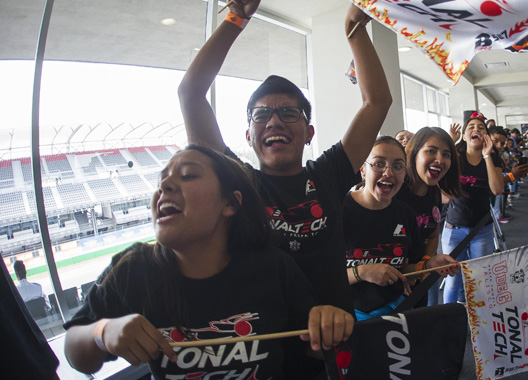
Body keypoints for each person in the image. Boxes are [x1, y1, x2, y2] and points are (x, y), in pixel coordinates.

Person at [63, 146, 353, 379]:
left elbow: (312, 349)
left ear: (230, 203)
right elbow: (76, 355)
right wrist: (102, 332)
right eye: (161, 179)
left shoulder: (273, 268)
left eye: (187, 175)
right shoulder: (133, 269)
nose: (164, 185)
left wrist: (331, 324)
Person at [177, 0, 391, 314]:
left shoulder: (329, 174)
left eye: (289, 113)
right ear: (249, 136)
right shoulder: (240, 183)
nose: (274, 121)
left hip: (334, 344)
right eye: (261, 115)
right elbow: (191, 94)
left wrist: (354, 29)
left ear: (309, 133)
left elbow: (377, 102)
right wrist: (235, 18)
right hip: (266, 350)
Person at [344, 137, 458, 319]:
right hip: (348, 316)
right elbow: (319, 277)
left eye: (397, 166)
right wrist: (361, 272)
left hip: (395, 312)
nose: (388, 173)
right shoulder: (339, 211)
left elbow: (403, 270)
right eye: (378, 164)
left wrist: (428, 265)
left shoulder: (405, 215)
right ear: (363, 170)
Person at [396, 127, 466, 305]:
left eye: (446, 154)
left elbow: (433, 234)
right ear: (413, 153)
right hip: (391, 284)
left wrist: (426, 262)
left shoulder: (434, 192)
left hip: (418, 277)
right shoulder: (395, 191)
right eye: (431, 151)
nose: (440, 159)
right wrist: (405, 273)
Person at [444, 112, 504, 304]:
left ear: (486, 135)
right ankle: (448, 323)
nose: (476, 130)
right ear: (464, 136)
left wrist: (487, 154)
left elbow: (497, 189)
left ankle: (479, 324)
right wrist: (449, 146)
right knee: (453, 282)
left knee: (479, 281)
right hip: (454, 229)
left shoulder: (493, 159)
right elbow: (445, 196)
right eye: (471, 127)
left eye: (481, 128)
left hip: (482, 229)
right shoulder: (456, 158)